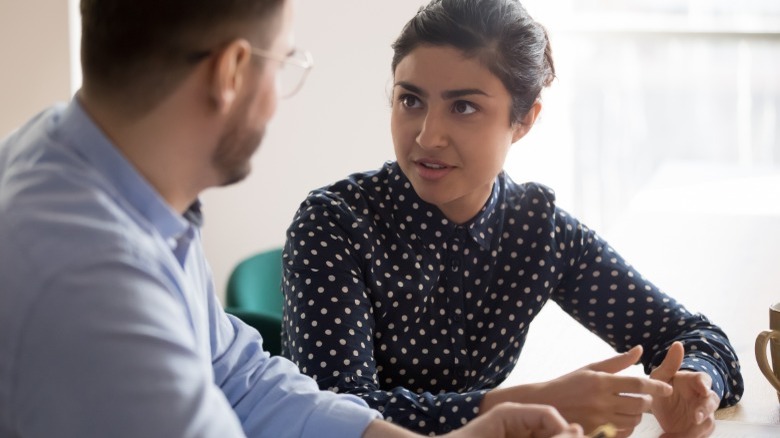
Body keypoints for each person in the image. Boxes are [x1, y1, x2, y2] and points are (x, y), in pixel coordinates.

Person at [0, 1, 588, 437]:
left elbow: (242, 380)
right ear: (232, 72)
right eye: (283, 62)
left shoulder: (88, 166)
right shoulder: (92, 285)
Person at [280, 0, 744, 436]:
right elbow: (332, 415)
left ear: (524, 120)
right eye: (411, 100)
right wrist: (531, 404)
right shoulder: (333, 224)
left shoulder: (538, 232)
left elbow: (695, 336)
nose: (427, 136)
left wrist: (695, 385)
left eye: (463, 107)